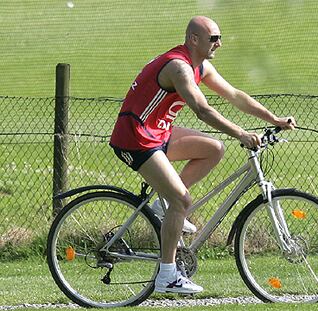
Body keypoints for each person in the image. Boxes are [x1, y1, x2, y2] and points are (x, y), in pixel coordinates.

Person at [110, 16, 296, 294]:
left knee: (213, 148)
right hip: (135, 137)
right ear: (193, 39)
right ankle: (167, 275)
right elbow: (202, 110)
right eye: (213, 38)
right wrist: (241, 134)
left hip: (157, 132)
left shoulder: (201, 66)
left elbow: (234, 95)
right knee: (181, 200)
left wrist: (274, 118)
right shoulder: (179, 68)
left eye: (219, 38)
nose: (219, 44)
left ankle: (165, 209)